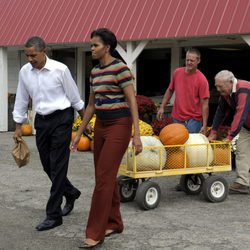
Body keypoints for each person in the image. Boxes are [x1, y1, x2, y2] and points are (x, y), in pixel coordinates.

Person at [71, 28, 142, 248]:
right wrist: (79, 133)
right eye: (91, 45)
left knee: (103, 178)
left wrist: (136, 135)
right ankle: (115, 222)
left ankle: (95, 232)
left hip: (120, 125)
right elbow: (91, 105)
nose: (91, 48)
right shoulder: (94, 72)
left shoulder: (121, 69)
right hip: (101, 125)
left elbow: (132, 101)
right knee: (105, 176)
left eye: (95, 45)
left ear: (107, 47)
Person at [13, 36, 84, 231]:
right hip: (41, 121)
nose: (30, 59)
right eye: (27, 55)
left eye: (33, 55)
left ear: (45, 51)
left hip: (62, 119)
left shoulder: (60, 69)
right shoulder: (25, 72)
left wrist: (86, 123)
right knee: (47, 166)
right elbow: (21, 98)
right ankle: (70, 192)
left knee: (58, 165)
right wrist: (18, 125)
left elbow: (74, 97)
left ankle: (53, 215)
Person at [157, 48, 210, 190]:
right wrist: (162, 107)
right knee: (178, 149)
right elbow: (170, 90)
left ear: (198, 61)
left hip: (193, 119)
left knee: (190, 150)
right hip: (177, 117)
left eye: (192, 60)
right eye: (187, 60)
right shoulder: (177, 73)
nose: (189, 62)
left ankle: (188, 179)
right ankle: (185, 178)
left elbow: (205, 104)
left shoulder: (202, 79)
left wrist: (204, 125)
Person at [208, 70, 250, 194]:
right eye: (216, 86)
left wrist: (231, 136)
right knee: (242, 151)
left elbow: (240, 113)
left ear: (230, 82)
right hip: (247, 126)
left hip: (244, 122)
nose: (218, 89)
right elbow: (220, 111)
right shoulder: (226, 93)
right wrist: (213, 131)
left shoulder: (244, 89)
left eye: (220, 86)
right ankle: (242, 183)